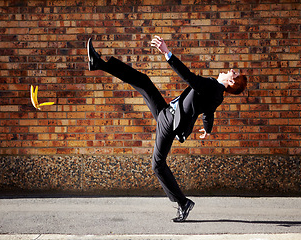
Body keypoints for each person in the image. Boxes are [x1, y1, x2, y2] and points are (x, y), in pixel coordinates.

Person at [87, 36, 247, 222]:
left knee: (158, 164)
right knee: (143, 81)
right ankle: (98, 62)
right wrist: (207, 129)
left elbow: (189, 77)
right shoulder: (218, 94)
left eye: (233, 73)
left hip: (170, 121)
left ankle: (182, 203)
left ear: (232, 83)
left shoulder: (213, 87)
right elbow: (208, 113)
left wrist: (167, 53)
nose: (230, 70)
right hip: (167, 113)